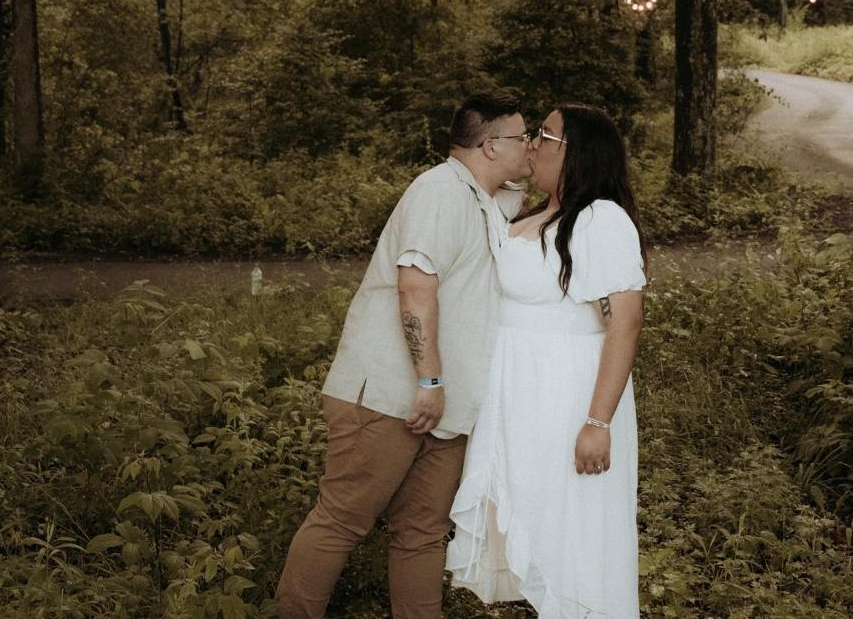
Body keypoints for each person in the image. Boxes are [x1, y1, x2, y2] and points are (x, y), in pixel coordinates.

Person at [275, 91, 531, 619]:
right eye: (523, 136)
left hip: (448, 408)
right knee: (342, 520)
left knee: (423, 532)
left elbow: (534, 193)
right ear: (489, 146)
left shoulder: (487, 201)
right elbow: (414, 286)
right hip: (394, 395)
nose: (531, 145)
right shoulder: (438, 191)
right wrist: (429, 380)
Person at [447, 102, 647, 616]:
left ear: (579, 152)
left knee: (575, 533)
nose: (532, 144)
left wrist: (597, 422)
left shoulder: (600, 219)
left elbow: (624, 322)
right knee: (537, 521)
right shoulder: (533, 213)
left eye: (545, 135)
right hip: (517, 398)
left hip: (565, 398)